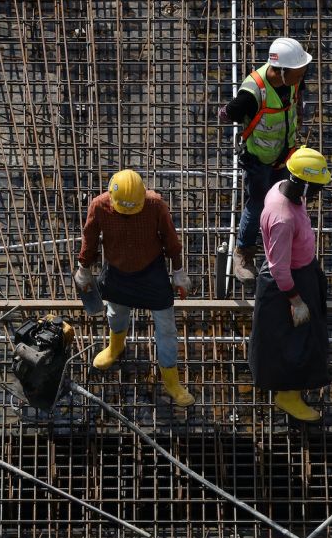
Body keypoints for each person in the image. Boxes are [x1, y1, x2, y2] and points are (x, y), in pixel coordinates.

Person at [74, 169, 194, 407]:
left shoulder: (155, 204)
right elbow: (89, 238)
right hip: (118, 272)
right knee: (115, 314)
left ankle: (171, 380)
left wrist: (179, 272)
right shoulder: (99, 206)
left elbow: (171, 240)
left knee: (166, 329)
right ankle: (115, 347)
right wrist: (84, 269)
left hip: (152, 273)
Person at [219, 37, 313, 284]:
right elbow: (228, 113)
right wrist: (231, 113)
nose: (302, 77)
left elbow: (298, 99)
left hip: (286, 155)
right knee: (258, 203)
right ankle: (243, 253)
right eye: (298, 73)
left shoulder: (293, 76)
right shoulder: (253, 92)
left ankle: (287, 251)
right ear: (281, 71)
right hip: (258, 160)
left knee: (289, 202)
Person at [249, 147, 332, 422]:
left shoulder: (284, 189)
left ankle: (291, 390)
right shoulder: (282, 217)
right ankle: (288, 396)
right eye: (316, 188)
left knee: (309, 332)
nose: (319, 194)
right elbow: (279, 269)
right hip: (288, 282)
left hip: (302, 270)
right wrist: (296, 300)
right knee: (295, 341)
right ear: (304, 183)